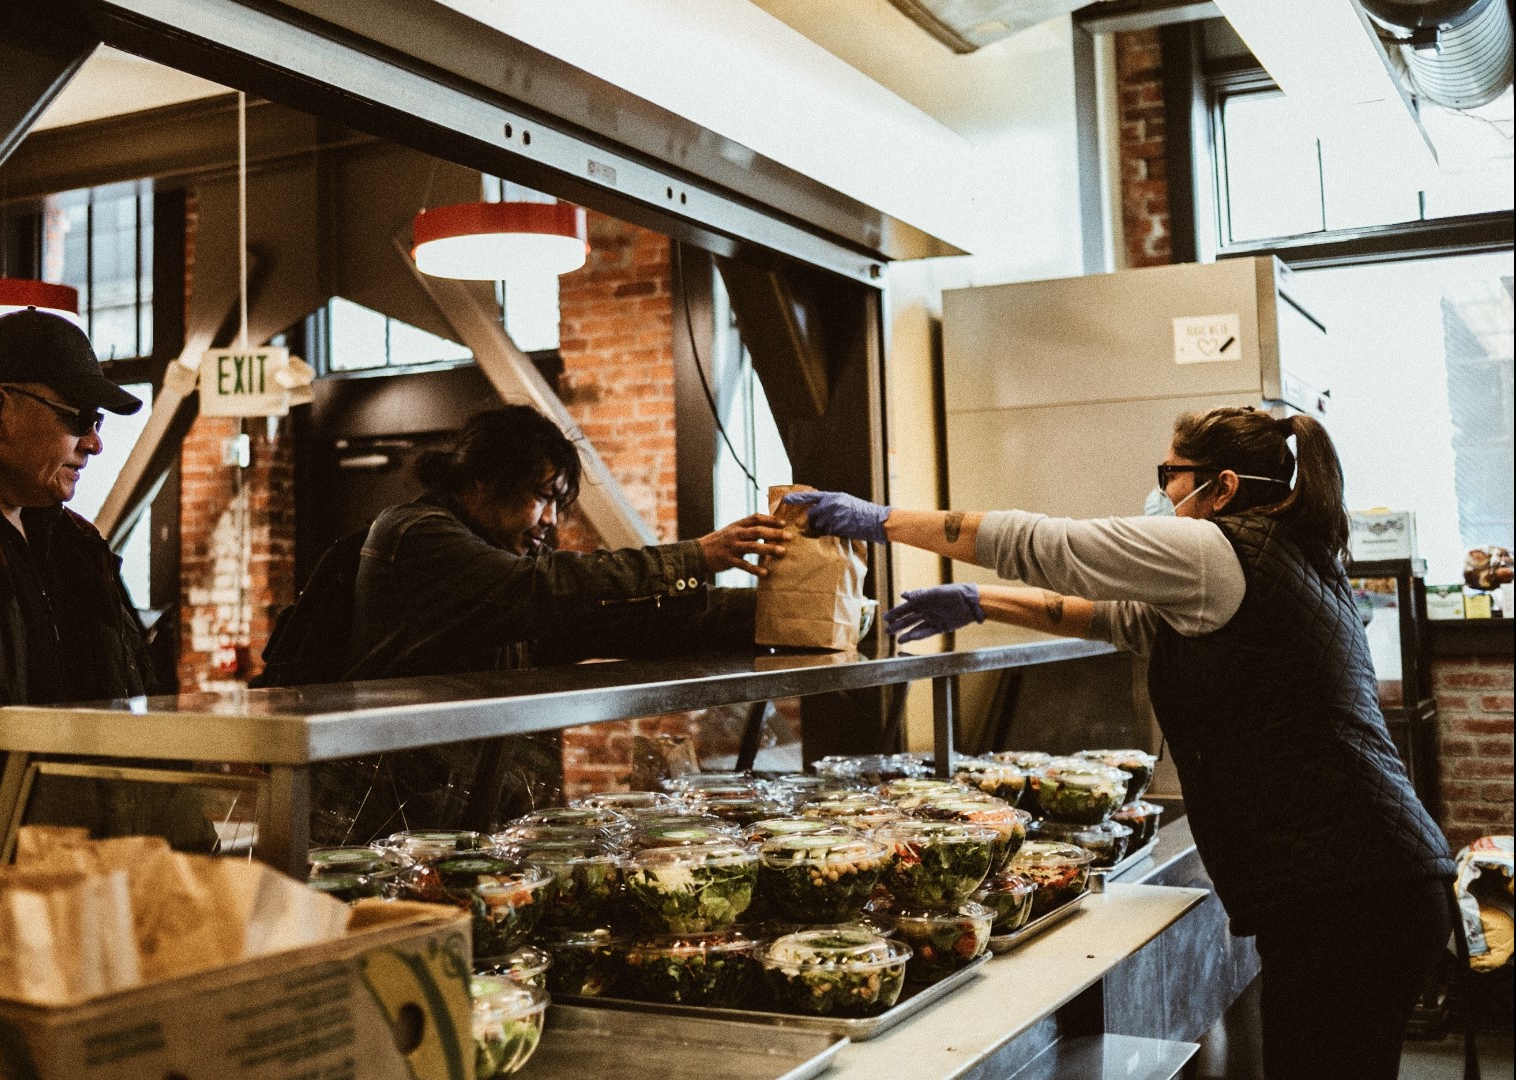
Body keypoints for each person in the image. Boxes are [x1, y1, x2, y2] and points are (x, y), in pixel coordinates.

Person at [785, 405, 1454, 1080]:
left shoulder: (1216, 549)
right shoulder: (1286, 554)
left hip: (1350, 893)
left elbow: (1049, 544)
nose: (1163, 490)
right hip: (1369, 880)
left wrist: (882, 519)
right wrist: (981, 601)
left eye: (1171, 473)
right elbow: (1125, 622)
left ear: (1220, 487)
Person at [311, 405, 792, 844]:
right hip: (378, 830)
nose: (551, 520)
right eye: (543, 497)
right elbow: (542, 586)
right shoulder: (416, 534)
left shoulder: (509, 573)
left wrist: (779, 614)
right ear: (480, 480)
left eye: (560, 504)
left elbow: (629, 619)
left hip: (452, 825)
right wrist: (692, 556)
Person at [0, 309, 202, 847]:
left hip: (99, 856)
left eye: (97, 422)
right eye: (78, 417)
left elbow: (135, 696)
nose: (94, 444)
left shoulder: (83, 548)